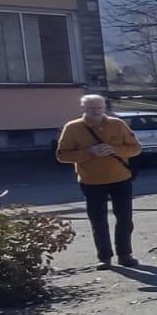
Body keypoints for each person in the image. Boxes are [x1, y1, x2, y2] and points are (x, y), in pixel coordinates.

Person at [56, 94, 143, 270]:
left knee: (125, 218)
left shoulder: (117, 124)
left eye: (99, 107)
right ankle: (105, 257)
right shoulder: (73, 128)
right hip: (91, 181)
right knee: (98, 221)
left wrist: (115, 150)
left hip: (120, 179)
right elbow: (62, 155)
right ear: (83, 109)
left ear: (104, 107)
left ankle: (125, 254)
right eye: (91, 108)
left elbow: (135, 148)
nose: (95, 111)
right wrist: (90, 152)